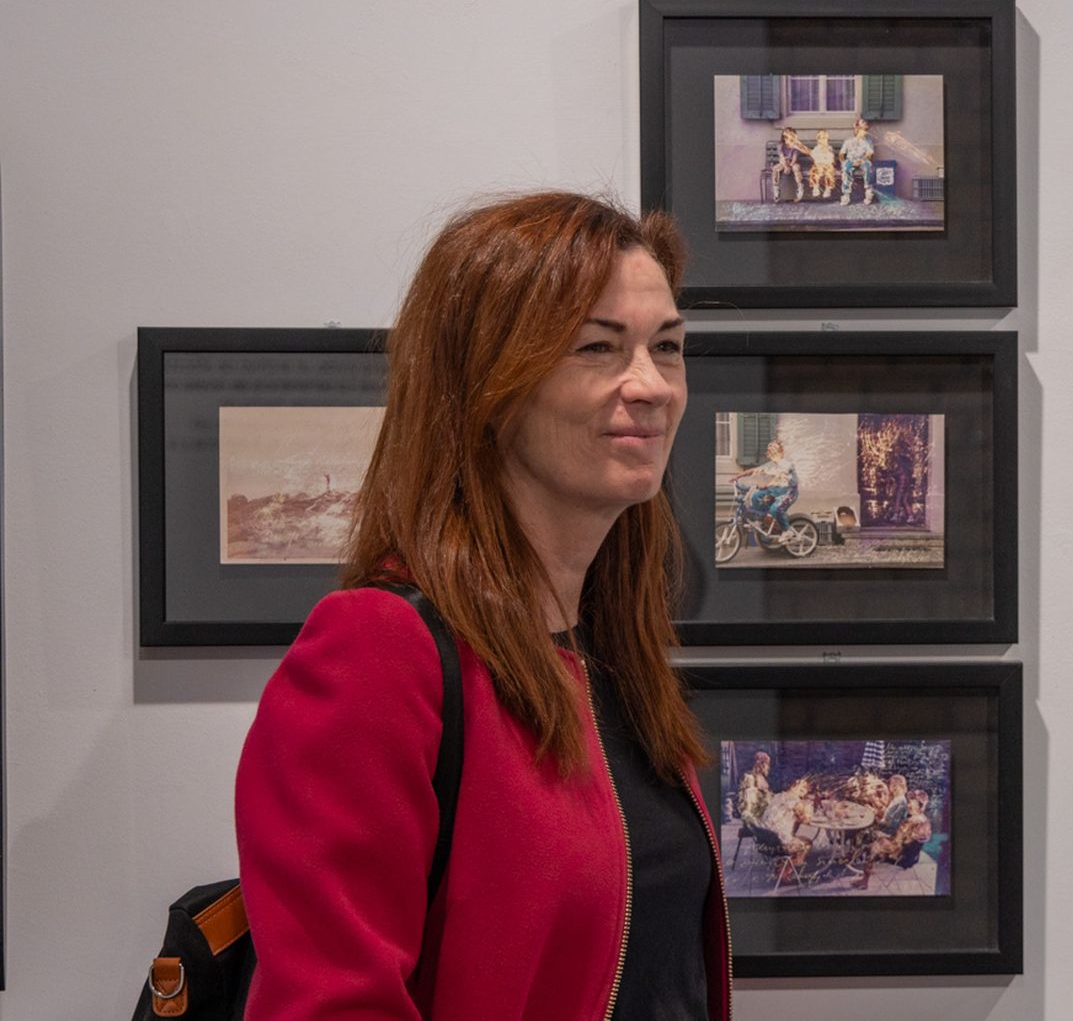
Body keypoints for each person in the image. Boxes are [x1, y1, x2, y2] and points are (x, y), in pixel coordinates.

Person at [234, 191, 731, 1020]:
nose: (650, 385)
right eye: (597, 348)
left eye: (668, 348)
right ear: (488, 384)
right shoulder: (378, 651)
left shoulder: (609, 652)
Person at [734, 438, 800, 544]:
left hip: (788, 492)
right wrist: (738, 476)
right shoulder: (772, 464)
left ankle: (787, 531)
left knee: (775, 509)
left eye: (774, 451)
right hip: (774, 491)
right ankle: (761, 521)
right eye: (770, 452)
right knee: (756, 497)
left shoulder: (786, 464)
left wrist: (765, 486)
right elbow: (755, 470)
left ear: (781, 452)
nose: (771, 454)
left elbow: (779, 478)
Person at [838, 118, 876, 205]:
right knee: (846, 168)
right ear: (858, 130)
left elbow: (869, 154)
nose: (865, 132)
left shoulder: (867, 141)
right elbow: (841, 153)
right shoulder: (849, 141)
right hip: (851, 160)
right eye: (863, 130)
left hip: (863, 159)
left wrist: (860, 160)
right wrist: (843, 161)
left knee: (868, 167)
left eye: (866, 130)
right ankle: (846, 194)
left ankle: (868, 191)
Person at [770, 127, 810, 203]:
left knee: (796, 168)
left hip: (793, 162)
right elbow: (781, 157)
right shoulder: (780, 145)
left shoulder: (795, 146)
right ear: (783, 137)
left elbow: (794, 158)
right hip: (784, 162)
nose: (787, 139)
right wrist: (785, 166)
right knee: (775, 168)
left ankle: (800, 187)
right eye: (785, 137)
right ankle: (776, 190)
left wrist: (790, 166)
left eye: (789, 137)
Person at [738, 750, 772, 826]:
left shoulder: (762, 777)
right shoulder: (750, 778)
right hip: (756, 815)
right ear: (761, 764)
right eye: (767, 764)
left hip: (765, 810)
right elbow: (748, 801)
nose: (768, 767)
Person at [807, 129, 837, 200]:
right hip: (819, 165)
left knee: (829, 172)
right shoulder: (816, 148)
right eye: (821, 138)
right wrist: (820, 163)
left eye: (825, 138)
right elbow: (815, 158)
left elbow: (832, 159)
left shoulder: (829, 148)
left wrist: (827, 161)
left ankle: (828, 188)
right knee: (815, 170)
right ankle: (815, 187)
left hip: (827, 165)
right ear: (818, 140)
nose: (823, 140)